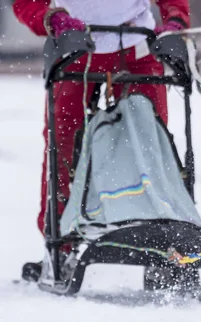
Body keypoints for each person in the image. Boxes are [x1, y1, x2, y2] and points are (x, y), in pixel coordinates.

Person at [13, 0, 190, 238]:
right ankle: (59, 240)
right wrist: (53, 19)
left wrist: (175, 21)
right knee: (62, 146)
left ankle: (161, 234)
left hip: (135, 45)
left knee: (152, 140)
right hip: (74, 46)